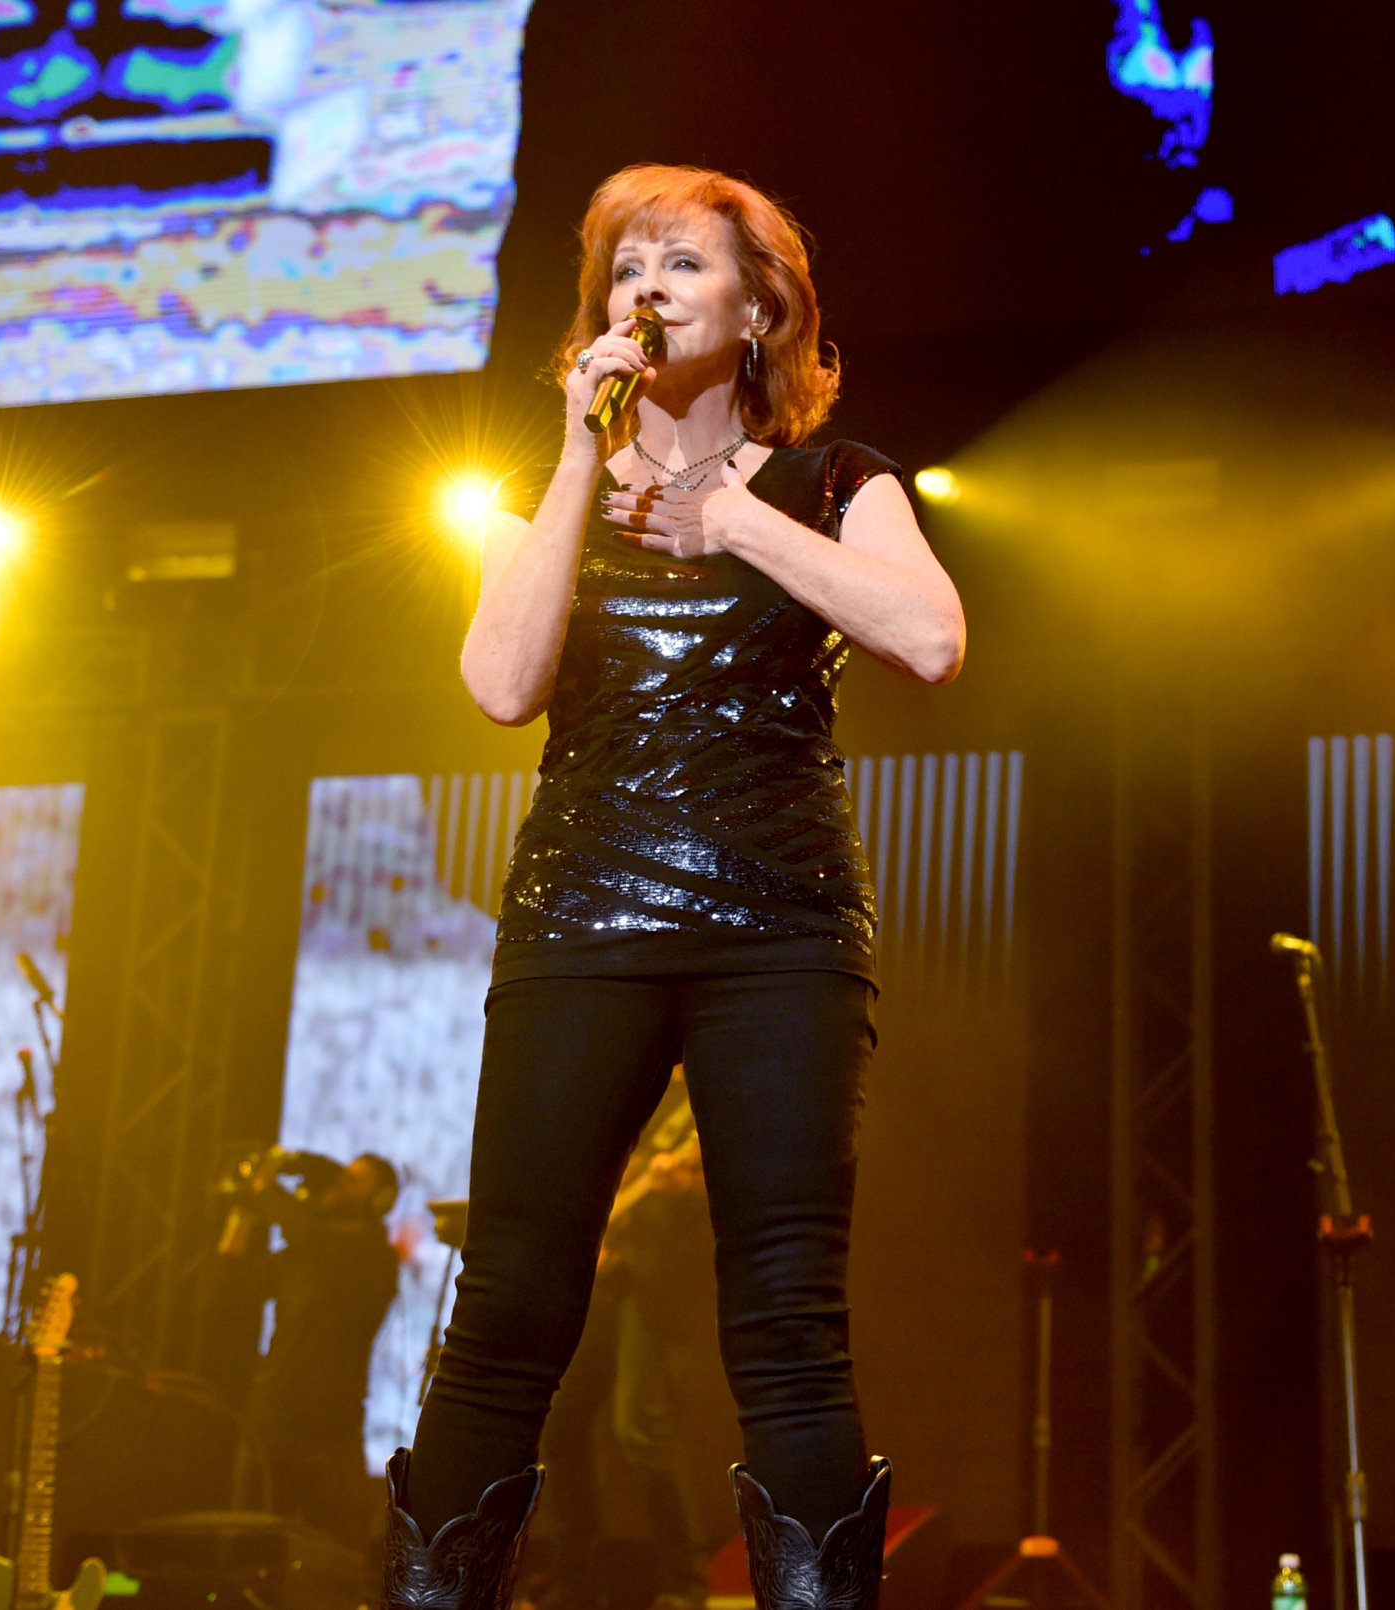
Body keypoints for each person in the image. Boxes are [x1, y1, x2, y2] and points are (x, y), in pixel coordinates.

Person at [384, 164, 965, 1610]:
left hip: (779, 923)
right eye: (624, 265)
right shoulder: (550, 489)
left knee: (784, 1312)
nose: (646, 284)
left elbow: (935, 639)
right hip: (584, 910)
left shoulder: (842, 481)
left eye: (682, 263)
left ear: (761, 307)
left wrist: (739, 521)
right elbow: (501, 684)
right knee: (509, 1300)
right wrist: (586, 461)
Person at [536, 1070, 737, 1610]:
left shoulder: (726, 1091)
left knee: (638, 1428)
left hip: (660, 1293)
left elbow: (740, 1198)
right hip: (611, 1282)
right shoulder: (649, 1105)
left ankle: (685, 1581)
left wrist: (689, 1189)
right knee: (563, 1425)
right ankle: (575, 1584)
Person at [225, 1149, 402, 1545]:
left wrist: (264, 1188)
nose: (339, 1182)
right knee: (248, 1546)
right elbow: (230, 1287)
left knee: (335, 1550)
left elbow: (305, 1229)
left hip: (330, 1431)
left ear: (379, 1202)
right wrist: (240, 1215)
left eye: (355, 1180)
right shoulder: (306, 1251)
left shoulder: (372, 1256)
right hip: (271, 1418)